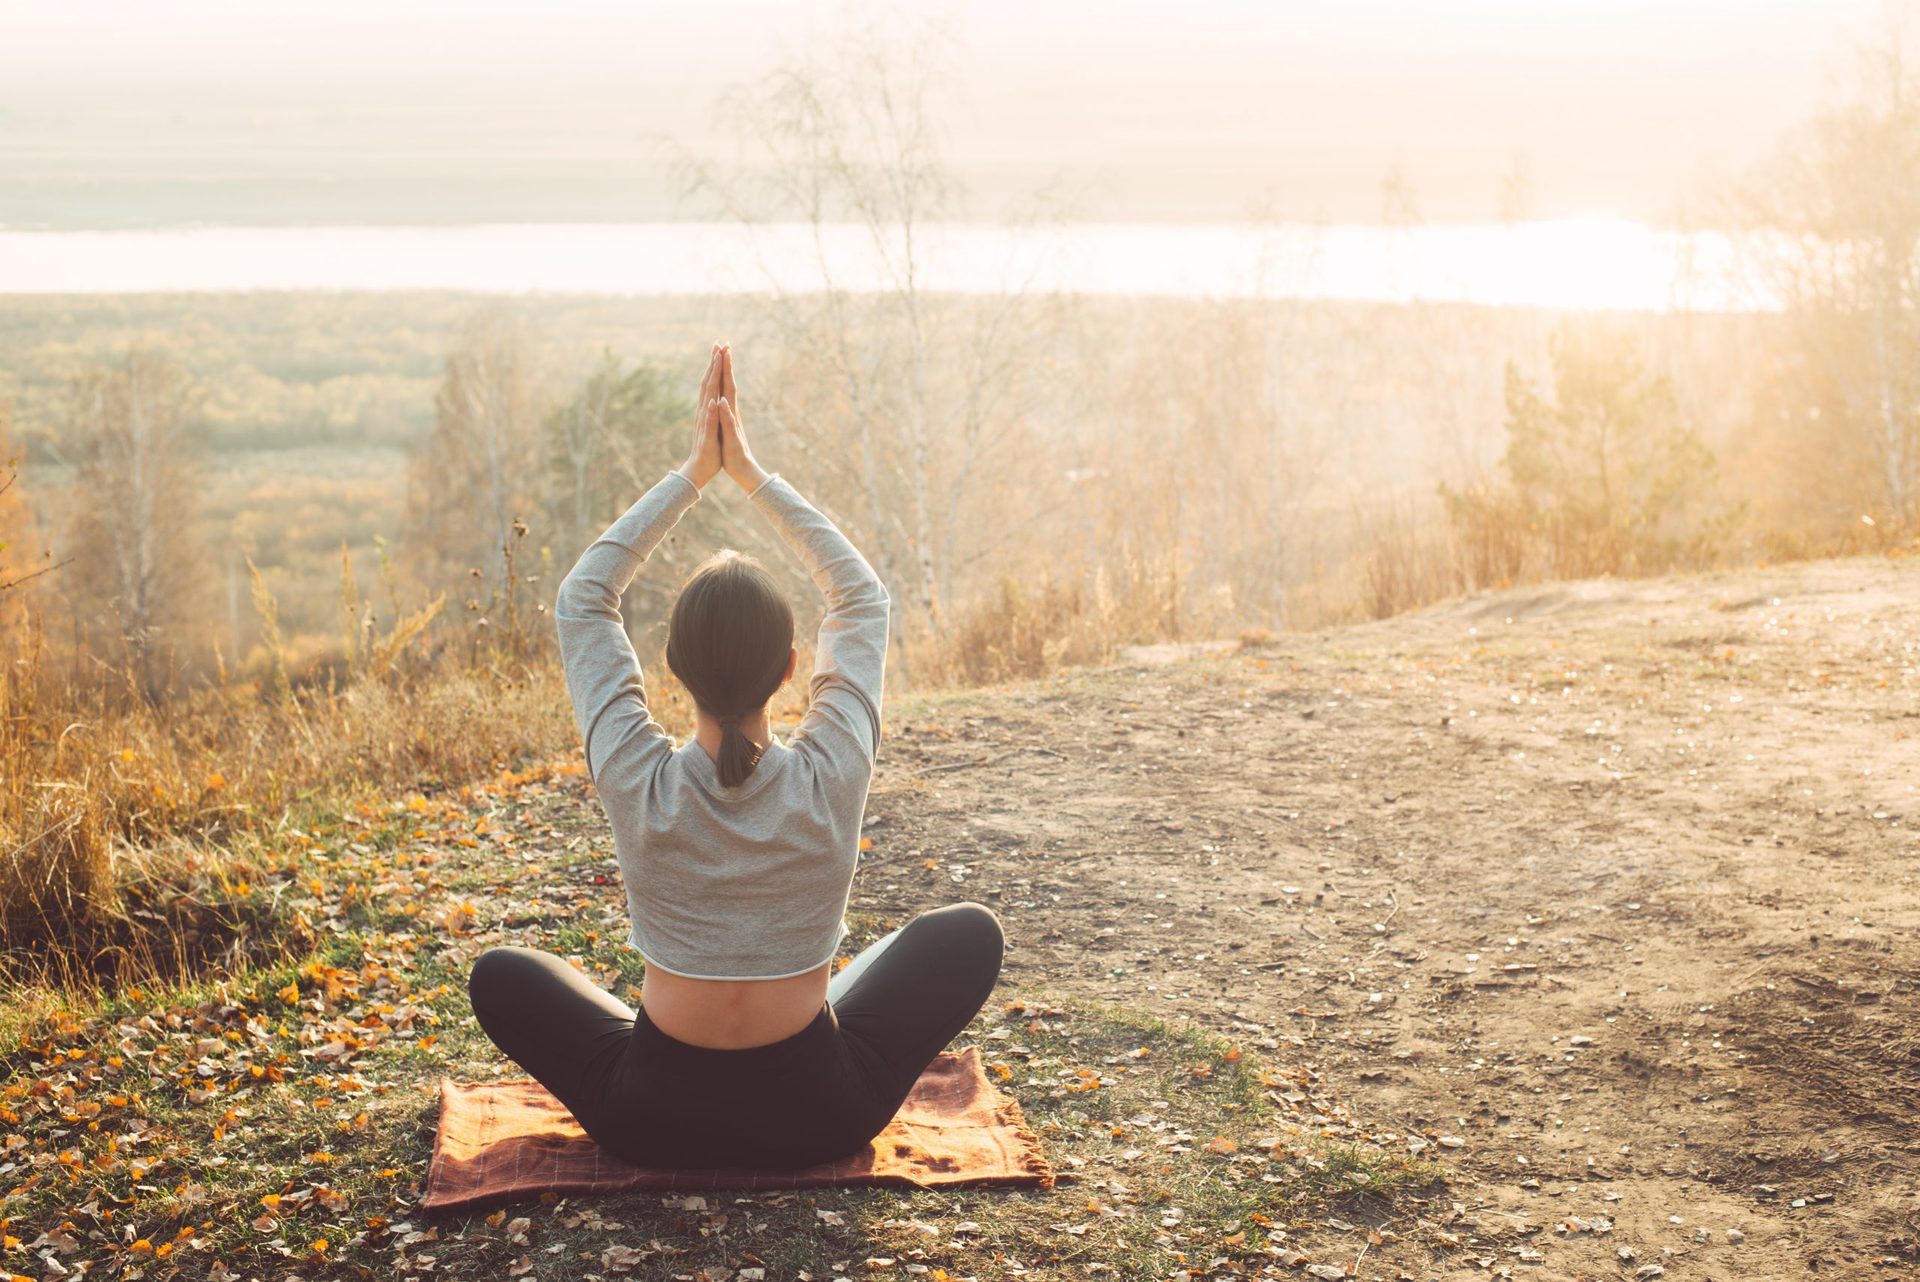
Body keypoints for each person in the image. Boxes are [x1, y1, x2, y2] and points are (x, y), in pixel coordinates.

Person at [466, 341, 1004, 1169]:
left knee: (502, 972)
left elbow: (583, 600)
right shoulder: (831, 778)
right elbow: (860, 598)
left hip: (649, 1119)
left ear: (670, 670)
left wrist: (693, 473)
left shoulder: (636, 777)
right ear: (792, 669)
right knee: (969, 932)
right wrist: (749, 473)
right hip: (823, 1116)